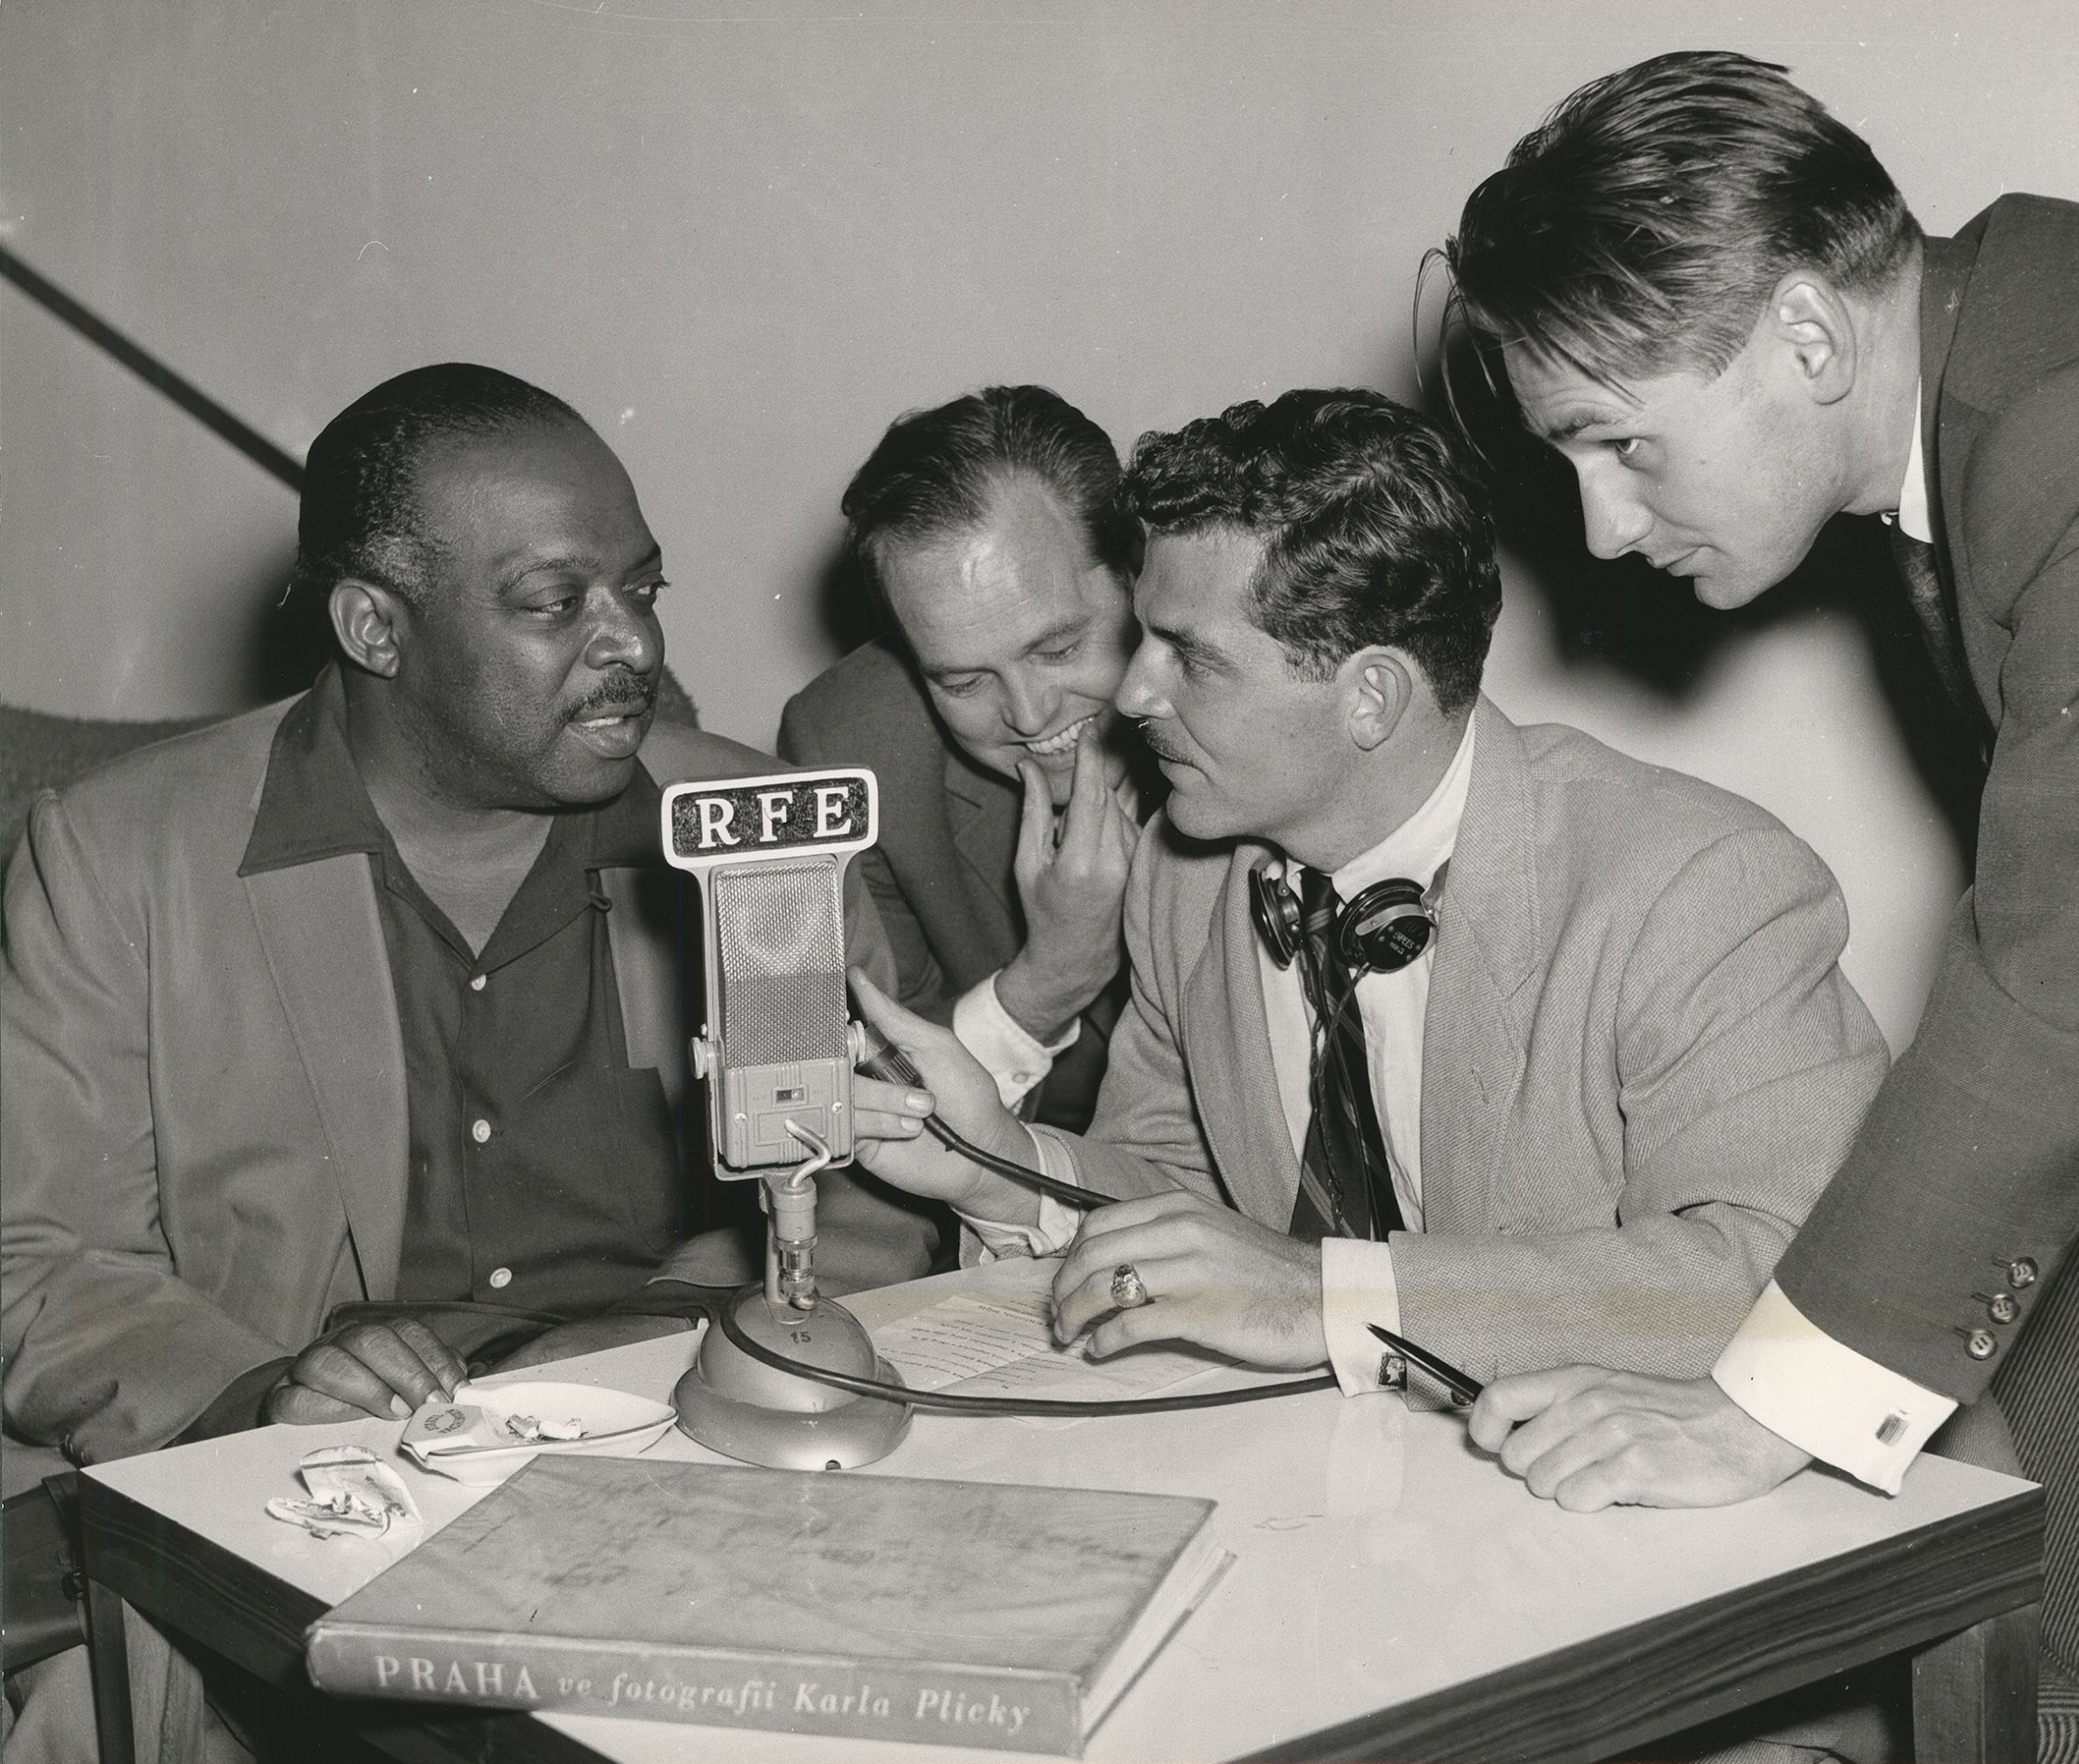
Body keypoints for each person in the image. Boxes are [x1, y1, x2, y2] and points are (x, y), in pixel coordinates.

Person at [0, 361, 945, 1764]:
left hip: (677, 1462)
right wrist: (263, 1394)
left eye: (644, 586)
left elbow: (869, 1200)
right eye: (559, 603)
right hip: (282, 1496)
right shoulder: (120, 852)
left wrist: (651, 1352)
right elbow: (39, 1256)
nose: (631, 643)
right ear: (376, 626)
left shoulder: (747, 828)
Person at [1441, 52, 2079, 1508]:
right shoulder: (1987, 378)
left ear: (1810, 335)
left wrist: (1765, 1412)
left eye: (1622, 443)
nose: (1607, 529)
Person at [848, 388, 1891, 1397]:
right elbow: (1186, 1198)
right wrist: (1000, 1163)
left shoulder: (1694, 888)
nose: (1130, 692)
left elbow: (1786, 1275)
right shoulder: (1184, 874)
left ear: (1370, 696)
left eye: (1189, 659)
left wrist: (1329, 1297)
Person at [779, 386, 1146, 1133]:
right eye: (962, 680)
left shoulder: (1259, 690)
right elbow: (874, 1095)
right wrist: (1045, 983)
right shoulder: (854, 753)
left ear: (1139, 578)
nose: (1030, 715)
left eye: (1060, 648)